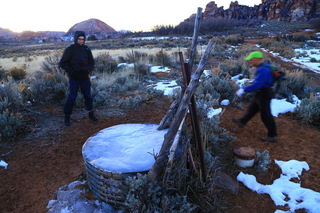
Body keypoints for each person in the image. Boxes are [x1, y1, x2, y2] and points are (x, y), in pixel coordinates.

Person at [232, 51, 277, 142]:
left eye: (251, 60)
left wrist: (244, 89)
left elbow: (257, 85)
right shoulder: (262, 67)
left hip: (264, 93)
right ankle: (242, 121)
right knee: (252, 108)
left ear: (256, 59)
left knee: (266, 115)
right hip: (261, 93)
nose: (249, 61)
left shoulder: (263, 69)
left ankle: (272, 135)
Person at [59, 30, 98, 126]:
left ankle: (91, 114)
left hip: (84, 77)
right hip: (74, 78)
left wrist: (88, 70)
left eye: (83, 39)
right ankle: (67, 117)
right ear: (75, 39)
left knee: (88, 97)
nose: (81, 41)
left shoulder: (86, 49)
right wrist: (71, 71)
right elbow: (62, 63)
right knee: (72, 97)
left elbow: (91, 62)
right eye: (79, 39)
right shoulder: (70, 49)